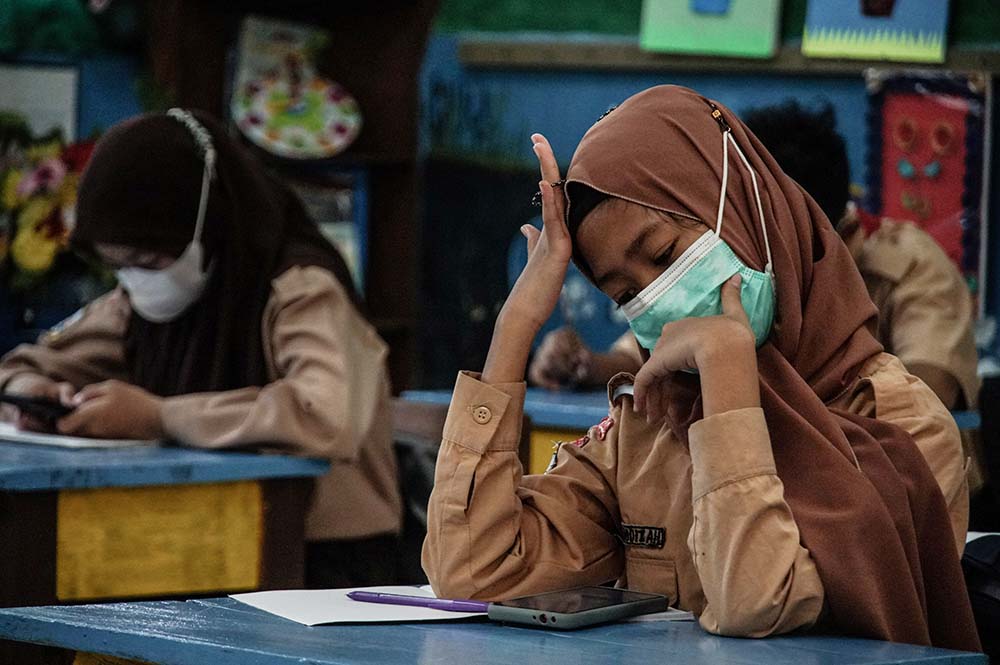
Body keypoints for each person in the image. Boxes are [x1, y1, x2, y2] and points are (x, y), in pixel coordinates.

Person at [423, 86, 979, 649]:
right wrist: (514, 329)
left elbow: (752, 605)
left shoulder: (906, 428)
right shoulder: (649, 426)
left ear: (749, 214)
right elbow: (473, 570)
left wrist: (730, 378)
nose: (658, 297)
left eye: (664, 255)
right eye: (626, 294)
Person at [0, 109, 402, 588]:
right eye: (118, 267)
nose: (136, 281)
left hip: (327, 562)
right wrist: (29, 391)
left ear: (208, 228)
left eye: (148, 260)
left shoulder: (302, 290)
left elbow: (325, 415)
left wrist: (158, 417)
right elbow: (33, 361)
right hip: (203, 541)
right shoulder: (140, 302)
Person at [533, 101, 980, 414]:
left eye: (663, 253)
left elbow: (930, 388)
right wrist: (587, 364)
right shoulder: (712, 270)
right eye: (625, 293)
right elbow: (649, 352)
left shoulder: (911, 265)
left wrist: (764, 392)